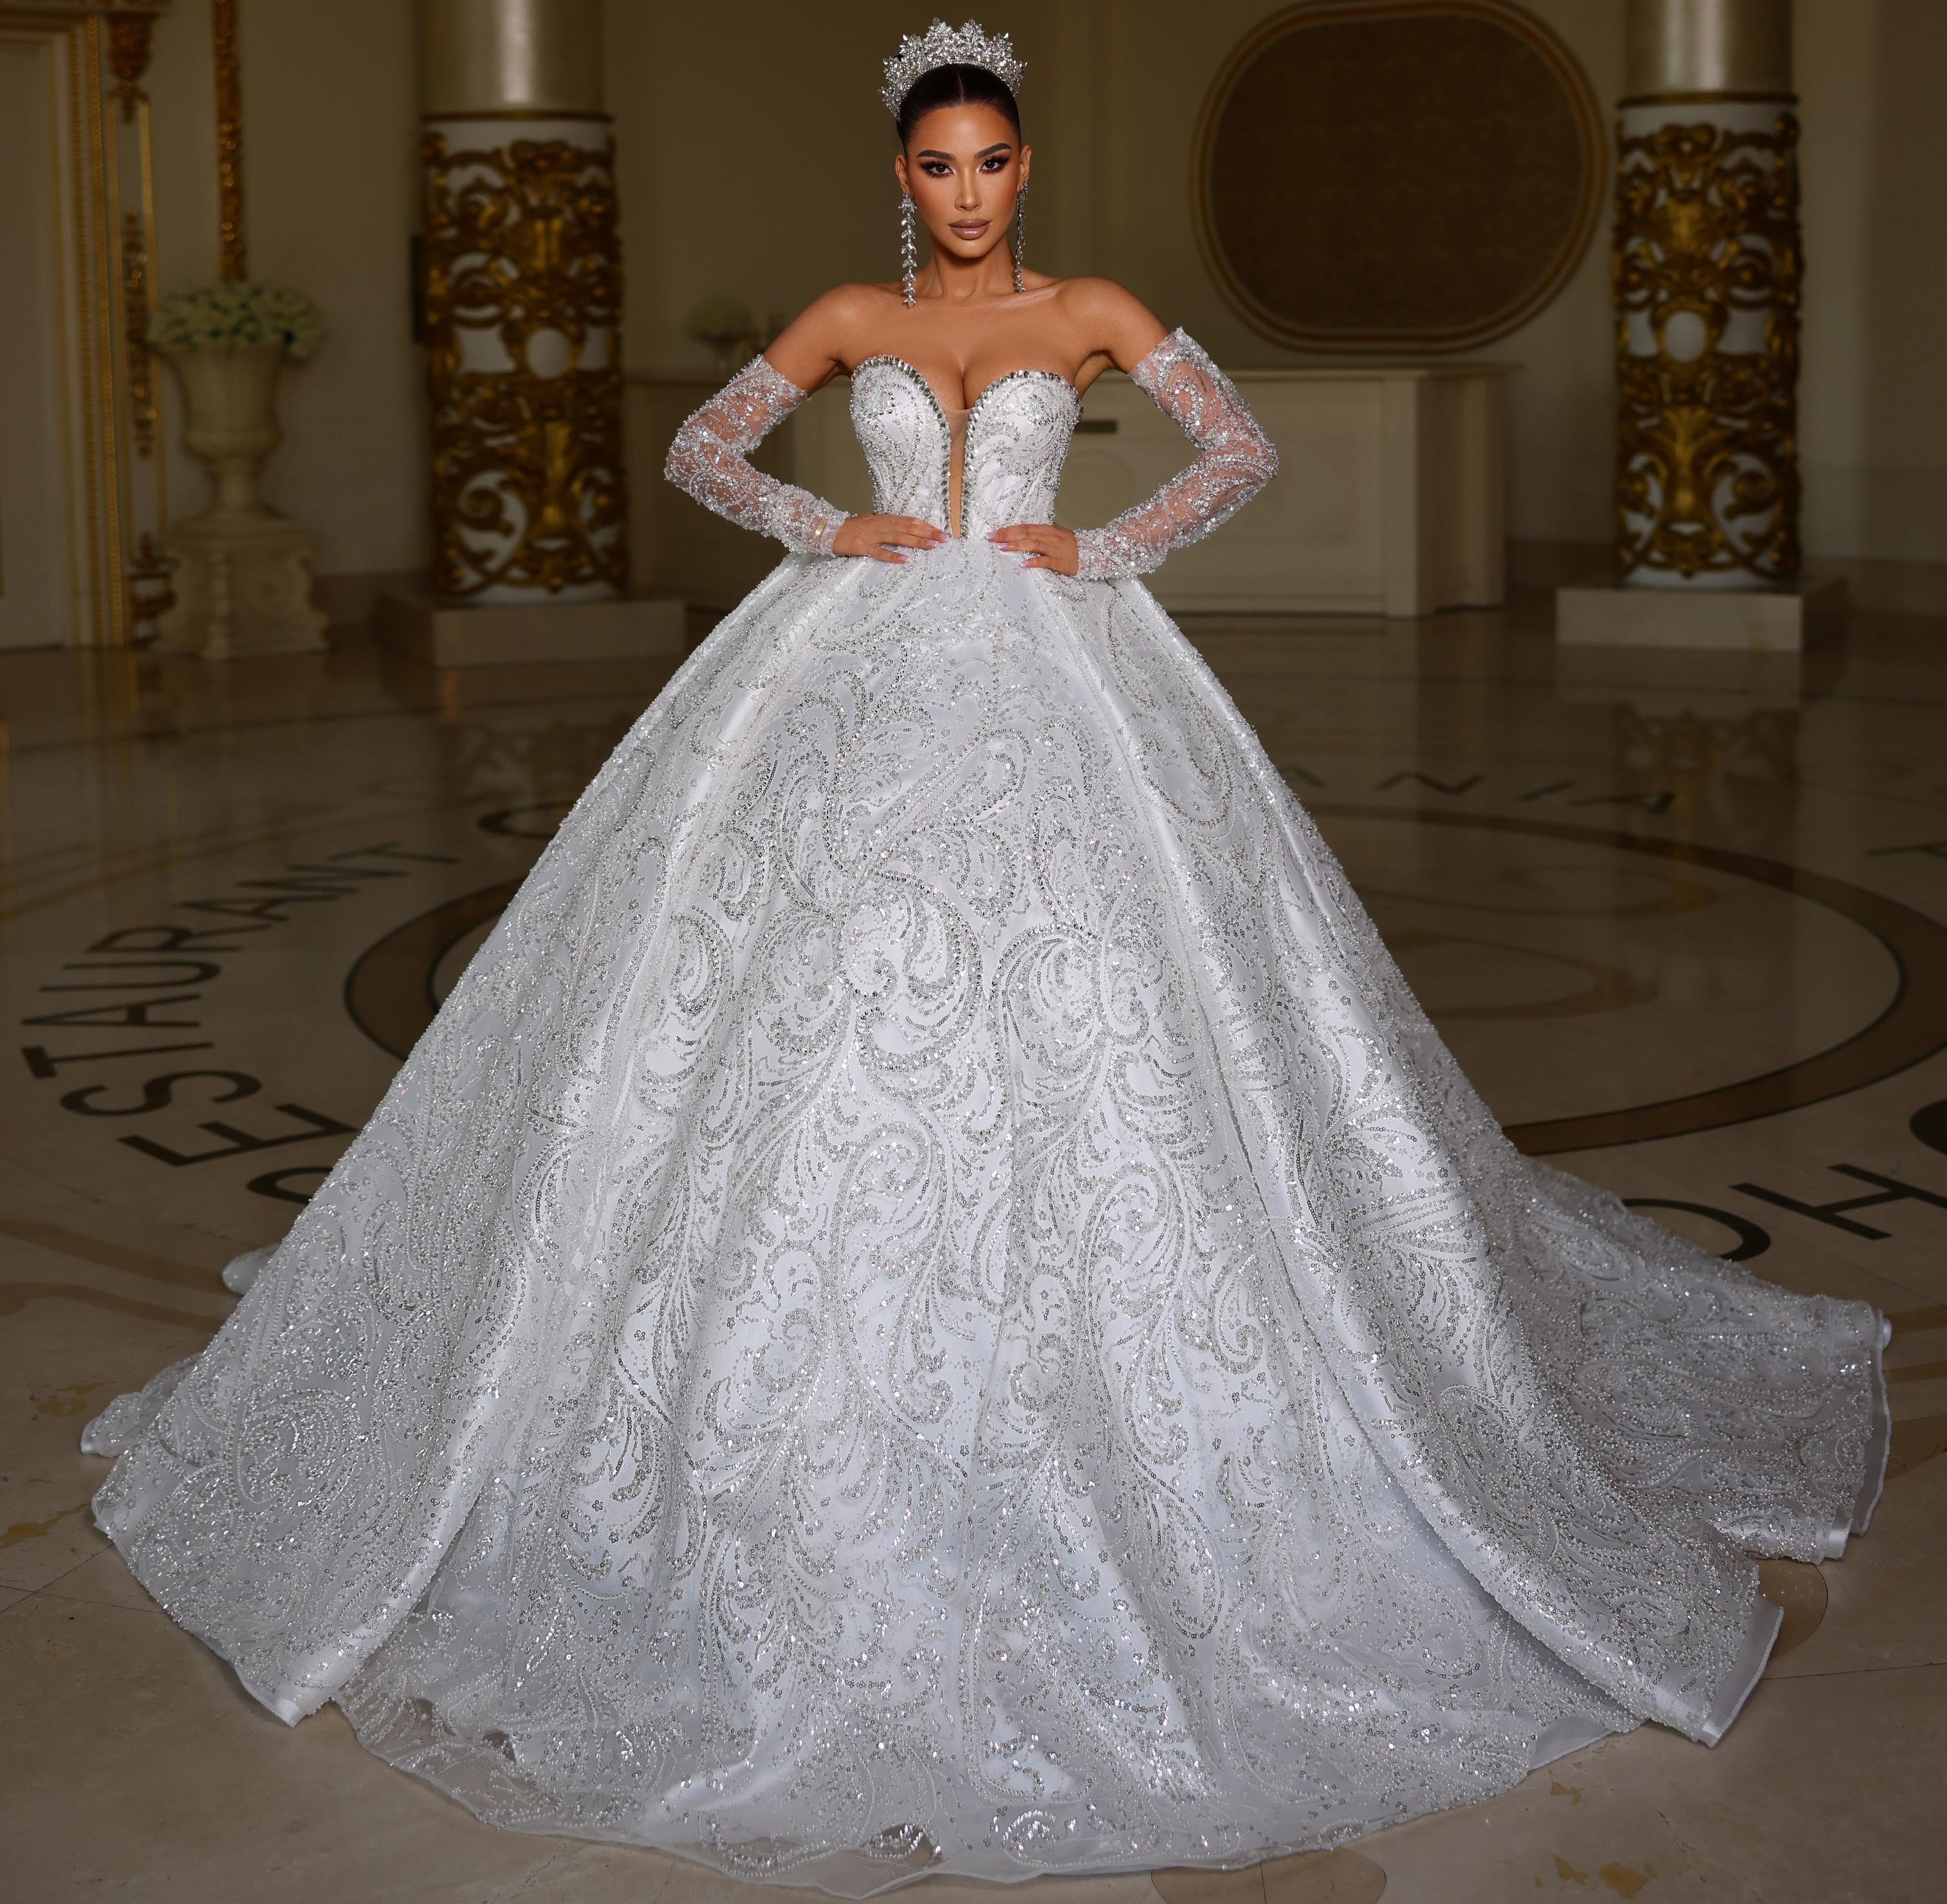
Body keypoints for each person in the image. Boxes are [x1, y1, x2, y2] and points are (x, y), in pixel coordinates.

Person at [82, 20, 1887, 1896]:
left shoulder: (1090, 304)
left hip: (1053, 660)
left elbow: (1238, 445)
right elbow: (706, 445)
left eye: (990, 164)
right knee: (806, 984)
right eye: (937, 165)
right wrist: (820, 521)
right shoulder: (849, 314)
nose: (964, 193)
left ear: (1024, 172)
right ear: (905, 173)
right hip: (848, 660)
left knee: (1117, 993)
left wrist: (1101, 551)